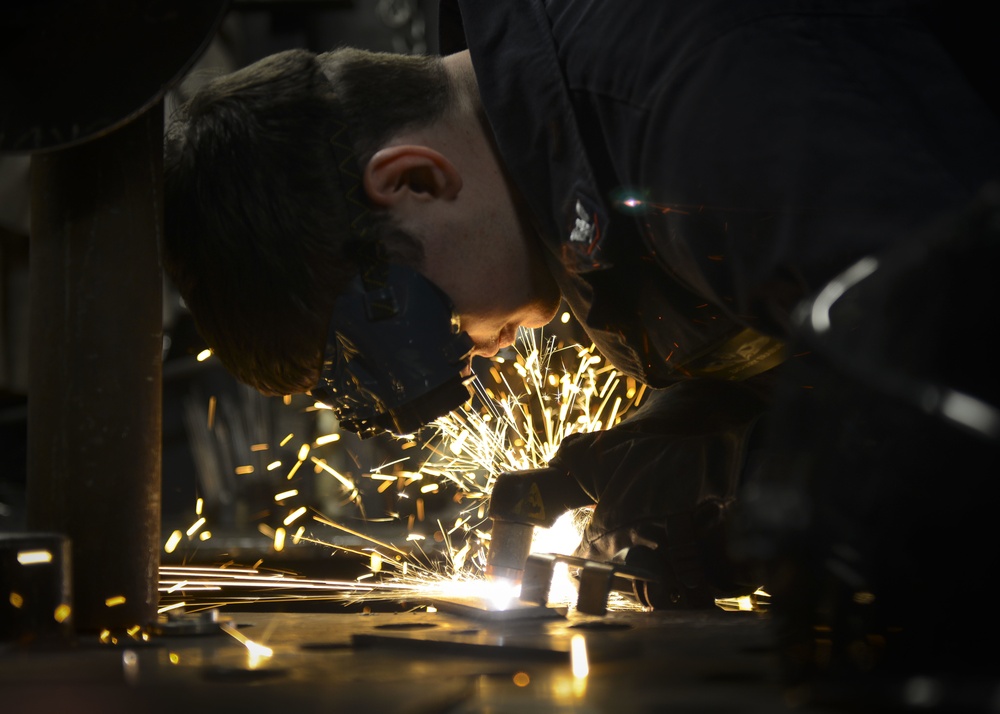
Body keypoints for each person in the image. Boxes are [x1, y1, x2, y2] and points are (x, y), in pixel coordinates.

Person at [163, 0, 1000, 615]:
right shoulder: (577, 150)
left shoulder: (689, 102)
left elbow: (963, 364)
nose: (483, 354)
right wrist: (712, 426)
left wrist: (744, 490)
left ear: (415, 180)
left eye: (448, 329)